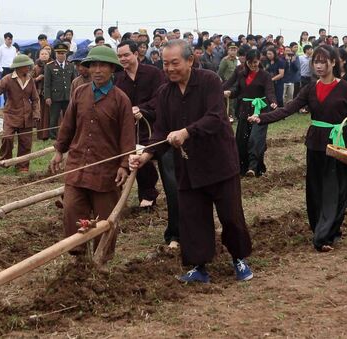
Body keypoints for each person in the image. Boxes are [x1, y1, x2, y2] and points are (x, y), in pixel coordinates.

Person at [130, 40, 253, 283]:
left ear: (190, 61)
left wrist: (186, 132)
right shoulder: (164, 93)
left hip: (219, 161)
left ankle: (239, 258)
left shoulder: (209, 81)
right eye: (165, 64)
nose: (170, 68)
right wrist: (145, 155)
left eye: (175, 63)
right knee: (193, 218)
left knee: (231, 216)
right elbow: (161, 130)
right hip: (188, 165)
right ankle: (199, 267)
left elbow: (216, 117)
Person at [249, 45, 347, 252]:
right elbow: (287, 109)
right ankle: (322, 228)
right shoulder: (309, 88)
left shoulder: (344, 87)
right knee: (315, 188)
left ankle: (324, 236)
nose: (318, 65)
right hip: (316, 144)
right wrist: (262, 118)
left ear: (333, 63)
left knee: (334, 188)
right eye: (315, 61)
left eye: (322, 61)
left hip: (338, 144)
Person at [50, 46, 135, 261]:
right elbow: (68, 125)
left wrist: (124, 165)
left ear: (112, 69)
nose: (97, 70)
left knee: (104, 217)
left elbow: (127, 136)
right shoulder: (80, 92)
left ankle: (102, 258)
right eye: (93, 65)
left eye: (102, 65)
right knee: (72, 210)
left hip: (106, 169)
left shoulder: (121, 99)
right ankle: (78, 256)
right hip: (78, 164)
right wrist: (59, 150)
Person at [115, 40, 165, 210]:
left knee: (143, 153)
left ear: (136, 54)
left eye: (126, 55)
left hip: (152, 123)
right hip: (127, 125)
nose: (123, 59)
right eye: (120, 56)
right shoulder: (119, 78)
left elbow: (161, 97)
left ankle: (148, 194)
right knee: (126, 154)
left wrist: (141, 109)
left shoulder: (153, 73)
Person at [223, 49, 277, 177]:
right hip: (245, 109)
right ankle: (243, 168)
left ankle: (254, 167)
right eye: (250, 62)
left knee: (255, 138)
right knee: (241, 139)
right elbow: (236, 88)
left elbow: (270, 91)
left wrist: (273, 102)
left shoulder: (265, 75)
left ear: (259, 61)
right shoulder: (241, 73)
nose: (253, 65)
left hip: (260, 110)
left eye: (255, 62)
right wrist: (228, 93)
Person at [0, 54, 40, 172]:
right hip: (11, 114)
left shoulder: (30, 80)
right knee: (7, 137)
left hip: (26, 115)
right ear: (19, 67)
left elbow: (35, 99)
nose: (29, 67)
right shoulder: (8, 79)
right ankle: (5, 162)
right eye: (26, 66)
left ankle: (22, 166)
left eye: (29, 65)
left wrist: (36, 113)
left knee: (25, 142)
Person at [44, 42, 75, 140]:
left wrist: (73, 95)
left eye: (63, 53)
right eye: (59, 53)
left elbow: (73, 81)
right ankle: (53, 136)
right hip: (55, 97)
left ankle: (68, 135)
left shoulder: (70, 66)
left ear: (66, 54)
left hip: (67, 96)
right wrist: (47, 97)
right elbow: (47, 83)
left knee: (68, 117)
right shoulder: (50, 66)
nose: (61, 55)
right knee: (54, 117)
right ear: (55, 54)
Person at [32, 47, 52, 140]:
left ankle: (49, 134)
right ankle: (41, 135)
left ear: (49, 55)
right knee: (40, 114)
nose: (44, 55)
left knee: (49, 114)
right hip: (39, 94)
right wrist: (37, 79)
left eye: (46, 54)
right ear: (39, 56)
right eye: (42, 54)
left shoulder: (52, 65)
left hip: (51, 94)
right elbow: (29, 80)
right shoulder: (35, 67)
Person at [218, 42, 240, 122]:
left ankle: (234, 116)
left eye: (235, 49)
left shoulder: (237, 60)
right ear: (228, 51)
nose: (233, 51)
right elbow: (220, 73)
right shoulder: (225, 60)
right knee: (229, 103)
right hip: (227, 83)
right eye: (231, 49)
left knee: (235, 102)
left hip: (236, 83)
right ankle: (230, 117)